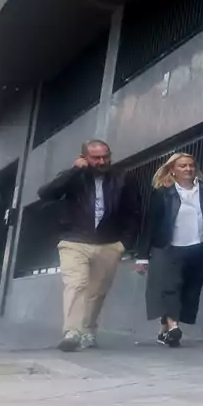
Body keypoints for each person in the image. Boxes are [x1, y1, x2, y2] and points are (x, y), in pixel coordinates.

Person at [37, 140, 141, 352]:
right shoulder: (74, 177)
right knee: (76, 284)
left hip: (109, 243)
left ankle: (87, 330)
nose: (102, 161)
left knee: (97, 292)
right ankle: (72, 331)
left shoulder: (123, 178)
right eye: (96, 157)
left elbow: (134, 212)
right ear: (84, 157)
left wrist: (125, 243)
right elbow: (46, 193)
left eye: (105, 156)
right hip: (74, 240)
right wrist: (75, 171)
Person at [135, 153, 203, 347]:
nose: (188, 169)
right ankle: (174, 328)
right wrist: (142, 256)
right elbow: (150, 224)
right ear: (173, 170)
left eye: (191, 165)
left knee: (189, 289)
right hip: (167, 247)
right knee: (170, 286)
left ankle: (164, 330)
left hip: (197, 246)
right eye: (183, 166)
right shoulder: (162, 192)